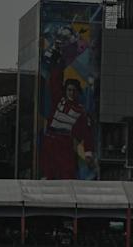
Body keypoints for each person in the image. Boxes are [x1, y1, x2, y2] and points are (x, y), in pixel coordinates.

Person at [40, 43, 95, 179]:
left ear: (78, 92)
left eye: (73, 90)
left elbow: (87, 134)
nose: (71, 92)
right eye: (69, 90)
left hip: (64, 142)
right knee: (49, 173)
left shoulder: (80, 111)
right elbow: (55, 81)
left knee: (67, 173)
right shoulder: (59, 100)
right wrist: (59, 63)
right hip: (50, 140)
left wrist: (88, 153)